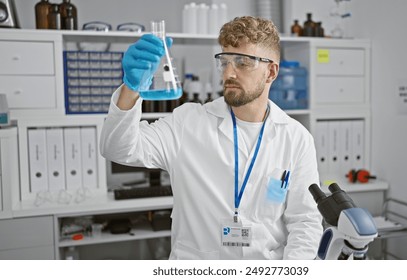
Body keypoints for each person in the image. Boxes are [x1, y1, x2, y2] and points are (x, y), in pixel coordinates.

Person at [100, 16, 323, 260]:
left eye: (242, 63)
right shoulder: (187, 122)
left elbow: (305, 222)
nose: (229, 73)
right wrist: (130, 89)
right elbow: (117, 148)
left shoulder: (296, 138)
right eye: (224, 61)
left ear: (271, 71)